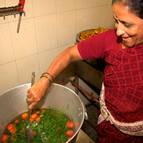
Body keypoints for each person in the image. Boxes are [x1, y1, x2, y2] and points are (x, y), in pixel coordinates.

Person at [27, 0, 143, 142]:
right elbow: (70, 53)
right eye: (116, 20)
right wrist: (45, 80)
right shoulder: (110, 39)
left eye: (127, 24)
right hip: (109, 130)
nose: (118, 31)